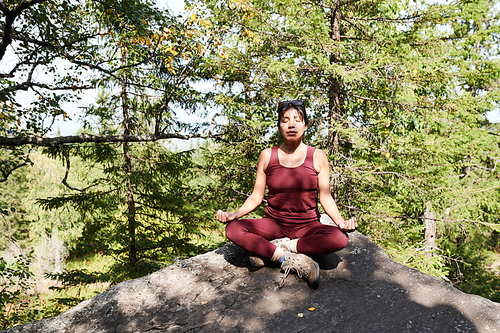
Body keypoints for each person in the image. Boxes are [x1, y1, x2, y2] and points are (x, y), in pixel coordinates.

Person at [216, 100, 358, 288]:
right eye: (285, 120)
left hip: (307, 227)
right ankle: (286, 258)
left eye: (297, 120)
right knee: (233, 229)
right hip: (273, 225)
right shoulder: (267, 155)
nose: (291, 125)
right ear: (279, 126)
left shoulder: (318, 156)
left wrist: (340, 222)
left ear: (306, 125)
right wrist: (234, 215)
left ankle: (275, 250)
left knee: (339, 238)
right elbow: (257, 196)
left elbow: (325, 196)